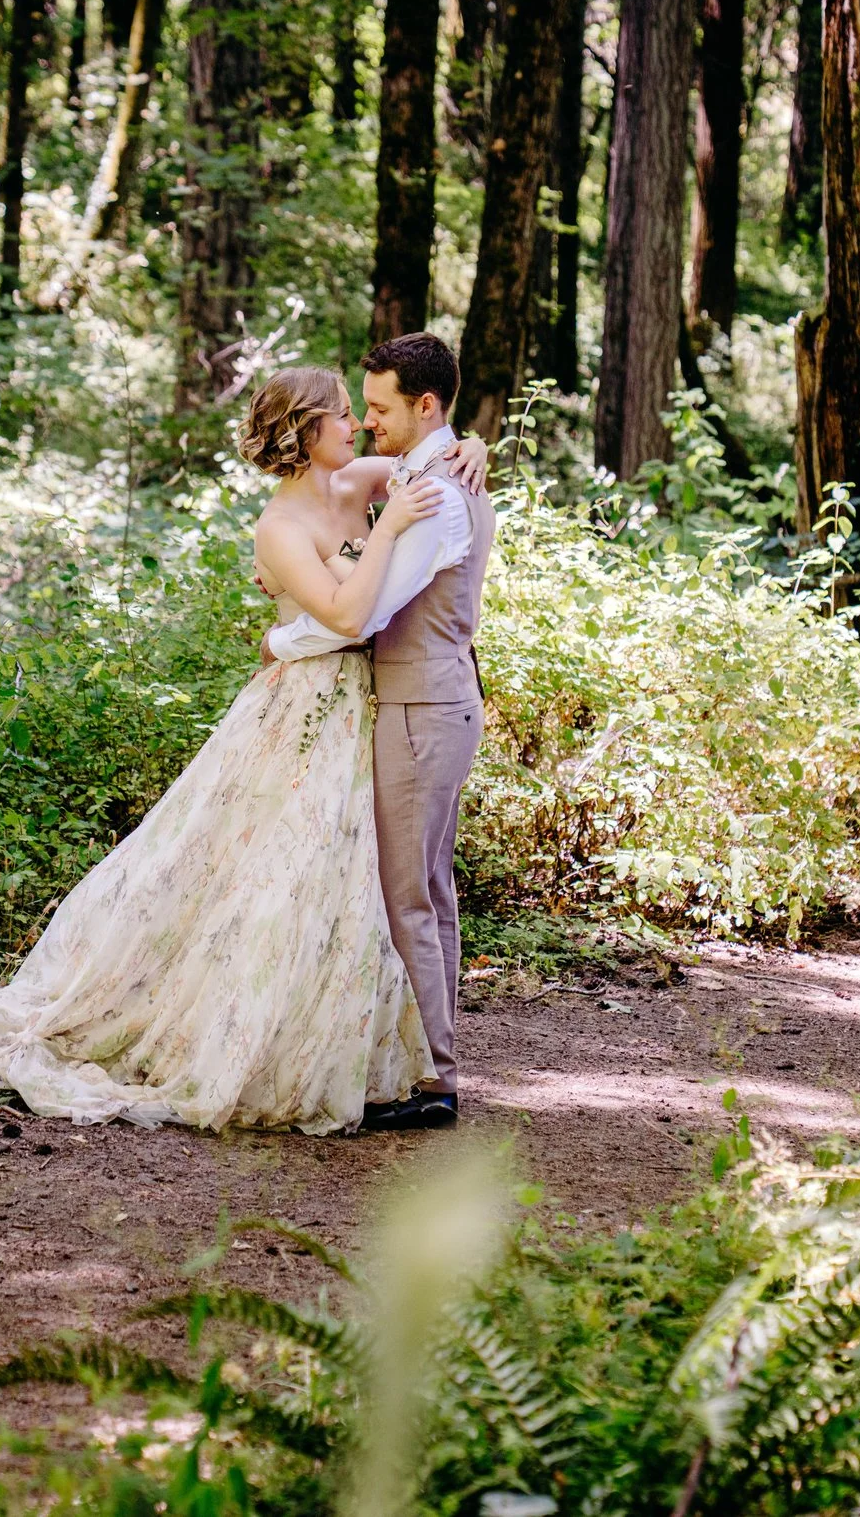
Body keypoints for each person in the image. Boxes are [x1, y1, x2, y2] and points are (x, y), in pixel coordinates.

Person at [0, 366, 490, 1134]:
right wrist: (385, 533)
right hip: (305, 707)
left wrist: (475, 447)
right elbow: (347, 615)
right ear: (305, 432)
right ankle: (249, 1030)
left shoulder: (362, 479)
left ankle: (371, 1047)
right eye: (340, 415)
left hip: (363, 709)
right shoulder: (280, 528)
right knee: (268, 876)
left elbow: (428, 456)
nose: (358, 426)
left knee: (342, 885)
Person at [263, 334, 494, 1131]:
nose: (367, 422)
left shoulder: (431, 495)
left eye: (384, 407)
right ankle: (432, 1062)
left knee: (409, 898)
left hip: (423, 705)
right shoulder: (428, 472)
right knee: (430, 891)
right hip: (431, 700)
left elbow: (363, 613)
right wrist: (473, 444)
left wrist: (279, 642)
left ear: (426, 405)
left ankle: (435, 1079)